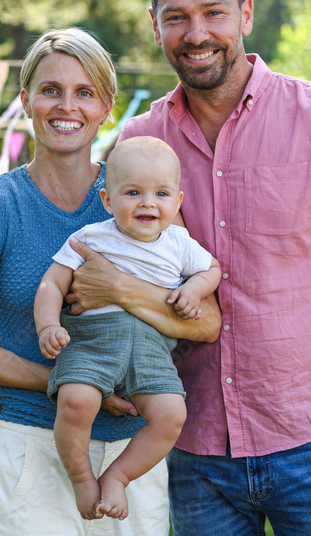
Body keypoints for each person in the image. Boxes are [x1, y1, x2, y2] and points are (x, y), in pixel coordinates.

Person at [0, 0, 311, 534]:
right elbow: (81, 257)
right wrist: (19, 369)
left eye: (214, 12)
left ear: (246, 15)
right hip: (187, 445)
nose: (197, 32)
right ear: (155, 25)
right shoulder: (138, 141)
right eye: (177, 16)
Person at [0, 26, 220, 536]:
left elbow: (205, 323)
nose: (67, 106)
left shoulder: (140, 194)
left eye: (84, 92)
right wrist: (68, 382)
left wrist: (117, 289)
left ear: (107, 105)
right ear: (25, 100)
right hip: (31, 444)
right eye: (50, 90)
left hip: (131, 457)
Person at [34, 136, 221, 521]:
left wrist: (193, 288)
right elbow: (52, 283)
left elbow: (212, 270)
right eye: (133, 192)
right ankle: (83, 478)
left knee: (171, 415)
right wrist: (48, 325)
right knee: (76, 400)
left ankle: (118, 476)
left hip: (151, 351)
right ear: (107, 200)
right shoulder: (90, 238)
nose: (148, 203)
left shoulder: (179, 243)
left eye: (161, 193)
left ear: (178, 202)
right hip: (92, 342)